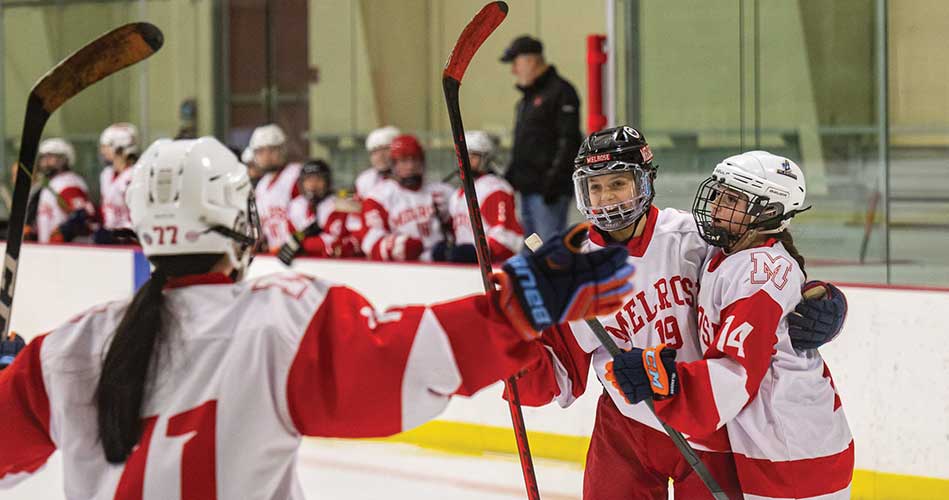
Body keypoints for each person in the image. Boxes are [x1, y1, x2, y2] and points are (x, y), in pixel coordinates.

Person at [0, 136, 635, 498]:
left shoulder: (69, 349)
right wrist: (516, 310)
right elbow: (406, 362)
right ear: (242, 219)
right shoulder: (277, 321)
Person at [511, 126, 848, 500]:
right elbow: (555, 373)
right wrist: (512, 342)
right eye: (595, 187)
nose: (606, 199)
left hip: (710, 424)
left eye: (618, 183)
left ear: (645, 181)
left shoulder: (695, 237)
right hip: (627, 426)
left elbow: (762, 270)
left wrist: (822, 300)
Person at [607, 151, 854, 499]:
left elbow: (737, 371)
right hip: (770, 443)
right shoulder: (724, 254)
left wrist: (664, 380)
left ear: (768, 212)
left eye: (733, 199)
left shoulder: (757, 273)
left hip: (795, 450)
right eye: (720, 193)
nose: (718, 206)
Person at [500, 35, 582, 241]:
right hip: (527, 189)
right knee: (531, 246)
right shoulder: (527, 99)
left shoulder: (561, 92)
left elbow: (569, 139)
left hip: (547, 193)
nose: (513, 71)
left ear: (531, 60)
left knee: (547, 249)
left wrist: (554, 180)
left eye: (515, 63)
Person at [360, 134, 454, 261]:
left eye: (415, 159)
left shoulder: (442, 191)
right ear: (393, 164)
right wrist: (398, 247)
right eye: (404, 161)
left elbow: (461, 230)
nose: (410, 166)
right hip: (403, 268)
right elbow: (370, 242)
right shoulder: (378, 197)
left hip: (442, 262)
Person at [443, 130, 523, 263]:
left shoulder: (494, 189)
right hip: (466, 268)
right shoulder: (456, 195)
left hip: (493, 267)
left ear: (485, 159)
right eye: (462, 156)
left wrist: (476, 253)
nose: (465, 161)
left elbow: (507, 237)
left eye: (473, 156)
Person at [277, 159, 361, 262]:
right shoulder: (295, 206)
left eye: (318, 179)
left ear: (327, 182)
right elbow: (289, 235)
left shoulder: (340, 204)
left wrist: (302, 245)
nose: (313, 185)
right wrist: (297, 239)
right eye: (308, 180)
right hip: (304, 267)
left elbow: (331, 242)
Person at [31, 138, 95, 243]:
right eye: (43, 157)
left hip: (65, 250)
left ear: (64, 159)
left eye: (51, 157)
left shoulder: (68, 182)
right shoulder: (50, 183)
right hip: (47, 250)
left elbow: (83, 216)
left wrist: (62, 232)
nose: (45, 162)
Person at [251, 124, 303, 249]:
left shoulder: (297, 175)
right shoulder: (262, 185)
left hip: (299, 254)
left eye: (271, 150)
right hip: (273, 256)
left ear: (282, 150)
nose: (266, 156)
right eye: (261, 151)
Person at [98, 123, 141, 243]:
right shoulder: (106, 174)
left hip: (129, 239)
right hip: (109, 236)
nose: (102, 151)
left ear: (117, 147)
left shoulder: (135, 175)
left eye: (105, 146)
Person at [355, 125, 400, 199]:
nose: (380, 155)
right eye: (374, 151)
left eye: (385, 149)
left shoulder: (409, 176)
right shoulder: (364, 180)